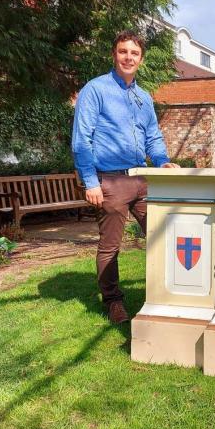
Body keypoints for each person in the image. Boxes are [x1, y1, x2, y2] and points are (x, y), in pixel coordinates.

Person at [72, 31, 179, 324]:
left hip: (142, 180)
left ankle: (166, 292)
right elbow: (82, 140)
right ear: (114, 55)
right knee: (110, 246)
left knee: (162, 236)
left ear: (140, 60)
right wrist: (91, 182)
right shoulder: (95, 90)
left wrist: (162, 161)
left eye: (134, 53)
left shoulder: (144, 97)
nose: (128, 57)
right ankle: (113, 302)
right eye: (123, 52)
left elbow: (153, 137)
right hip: (110, 181)